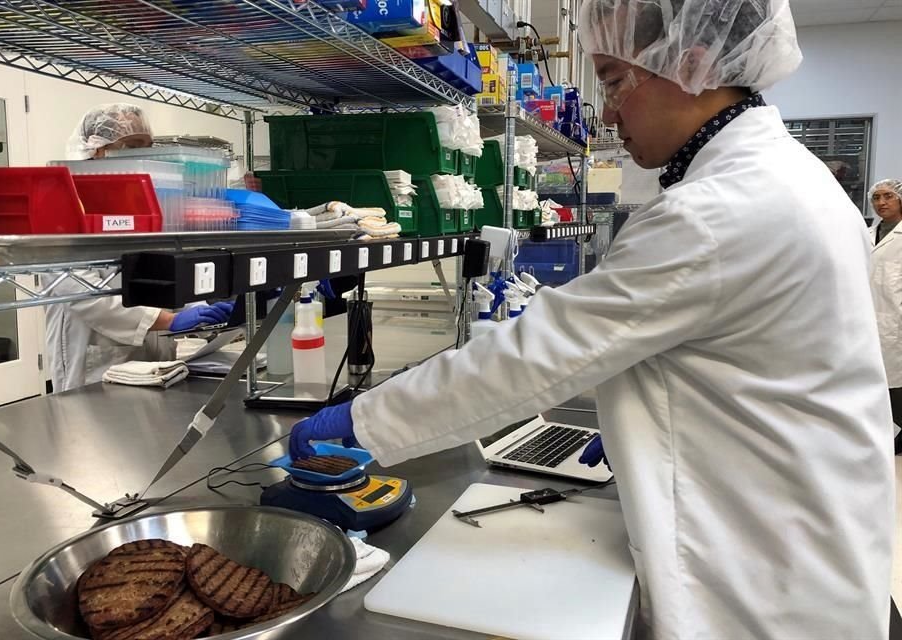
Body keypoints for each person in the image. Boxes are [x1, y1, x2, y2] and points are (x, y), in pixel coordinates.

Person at [289, 1, 894, 638]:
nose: (606, 112)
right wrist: (658, 423)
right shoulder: (791, 176)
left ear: (691, 64)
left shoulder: (719, 212)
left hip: (764, 580)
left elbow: (532, 358)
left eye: (612, 81)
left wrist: (362, 421)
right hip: (808, 522)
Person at [46, 104, 233, 391]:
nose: (143, 155)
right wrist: (168, 320)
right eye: (132, 146)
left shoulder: (146, 199)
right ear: (98, 149)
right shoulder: (65, 201)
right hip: (94, 355)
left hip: (156, 355)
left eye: (147, 146)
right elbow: (78, 291)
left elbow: (159, 269)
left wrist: (200, 305)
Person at [869, 178, 902, 455]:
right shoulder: (868, 234)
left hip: (896, 319)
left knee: (897, 385)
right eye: (877, 197)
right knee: (881, 380)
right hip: (873, 318)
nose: (881, 203)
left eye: (888, 196)